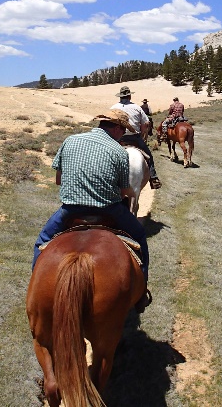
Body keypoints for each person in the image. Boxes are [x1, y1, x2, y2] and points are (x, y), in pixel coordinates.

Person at [32, 109, 152, 310]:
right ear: (116, 128)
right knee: (140, 237)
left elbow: (59, 180)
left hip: (71, 210)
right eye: (123, 130)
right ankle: (141, 293)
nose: (123, 135)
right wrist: (130, 194)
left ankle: (36, 285)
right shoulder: (118, 152)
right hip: (109, 210)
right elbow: (123, 191)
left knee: (42, 241)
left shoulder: (70, 140)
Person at [111, 85, 162, 189]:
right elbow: (146, 123)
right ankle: (153, 178)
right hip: (134, 137)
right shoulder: (136, 107)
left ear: (120, 97)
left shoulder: (113, 107)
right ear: (129, 96)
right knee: (148, 155)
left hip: (117, 138)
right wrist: (143, 134)